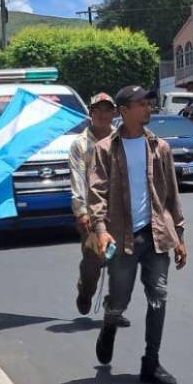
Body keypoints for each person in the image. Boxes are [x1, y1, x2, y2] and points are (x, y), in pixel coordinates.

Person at [88, 85, 187, 384]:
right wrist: (101, 231)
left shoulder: (160, 148)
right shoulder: (105, 149)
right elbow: (96, 193)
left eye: (148, 104)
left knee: (158, 297)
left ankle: (151, 362)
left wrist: (180, 236)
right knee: (120, 297)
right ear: (124, 111)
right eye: (141, 104)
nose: (148, 109)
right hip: (121, 238)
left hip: (156, 235)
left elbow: (171, 194)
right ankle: (109, 323)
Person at [68, 93, 129, 327]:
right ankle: (86, 290)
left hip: (121, 211)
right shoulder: (80, 145)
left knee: (123, 261)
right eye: (98, 110)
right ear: (91, 114)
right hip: (93, 211)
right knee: (95, 260)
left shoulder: (124, 139)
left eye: (108, 110)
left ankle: (113, 307)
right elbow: (78, 180)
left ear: (114, 112)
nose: (103, 115)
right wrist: (81, 211)